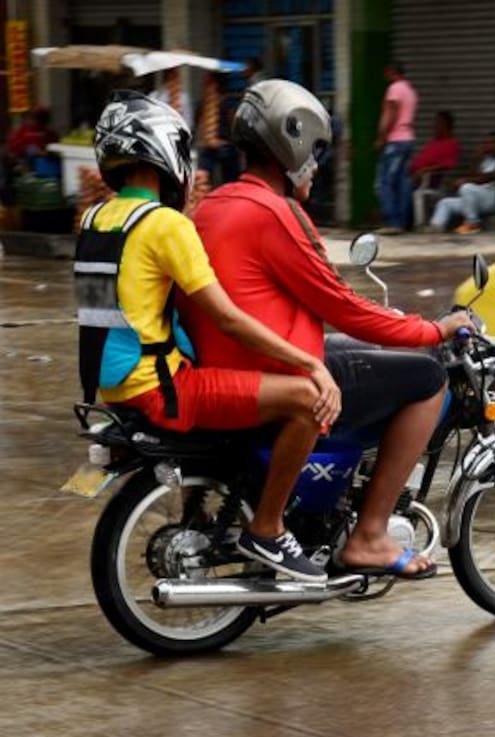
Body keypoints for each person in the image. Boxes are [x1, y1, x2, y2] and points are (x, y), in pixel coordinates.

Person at [184, 79, 475, 578]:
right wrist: (435, 329)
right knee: (428, 378)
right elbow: (343, 306)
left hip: (235, 360)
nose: (316, 165)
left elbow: (313, 306)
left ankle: (330, 499)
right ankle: (370, 535)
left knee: (370, 354)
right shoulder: (277, 213)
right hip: (273, 370)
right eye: (314, 150)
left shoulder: (213, 206)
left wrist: (395, 327)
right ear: (290, 143)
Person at [76, 91, 339, 583]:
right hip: (161, 390)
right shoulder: (164, 225)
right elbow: (228, 318)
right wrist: (311, 365)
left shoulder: (97, 220)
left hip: (113, 392)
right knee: (307, 400)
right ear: (163, 151)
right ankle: (268, 528)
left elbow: (117, 310)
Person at [374, 62, 418, 235]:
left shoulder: (395, 89)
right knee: (402, 183)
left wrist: (381, 137)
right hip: (408, 140)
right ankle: (403, 222)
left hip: (395, 142)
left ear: (392, 72)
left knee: (385, 182)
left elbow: (391, 113)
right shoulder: (410, 90)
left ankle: (392, 222)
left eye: (387, 72)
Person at [428, 132, 495, 234]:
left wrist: (465, 181)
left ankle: (473, 223)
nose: (487, 145)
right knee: (445, 203)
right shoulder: (487, 159)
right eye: (485, 143)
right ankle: (435, 228)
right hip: (477, 199)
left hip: (492, 199)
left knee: (466, 187)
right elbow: (471, 174)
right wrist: (477, 157)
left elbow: (487, 178)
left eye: (491, 142)